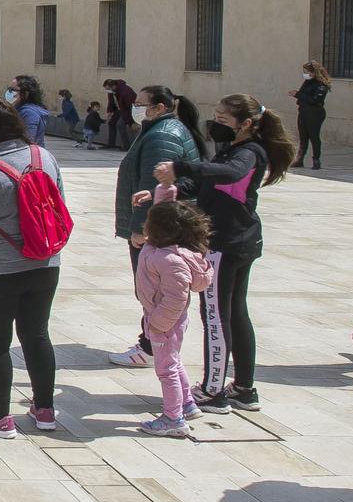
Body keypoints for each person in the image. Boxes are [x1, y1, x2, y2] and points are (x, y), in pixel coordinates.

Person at [155, 92, 296, 414]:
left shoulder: (248, 152)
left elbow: (231, 174)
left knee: (216, 317)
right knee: (233, 312)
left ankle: (214, 390)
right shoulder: (232, 149)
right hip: (238, 241)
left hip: (227, 245)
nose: (215, 124)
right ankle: (244, 388)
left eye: (222, 120)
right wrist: (163, 190)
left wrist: (180, 167)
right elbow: (208, 185)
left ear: (245, 124)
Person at [0, 98, 67, 437]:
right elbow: (59, 202)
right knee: (37, 334)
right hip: (45, 262)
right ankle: (45, 409)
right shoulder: (43, 157)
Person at [108, 86, 207, 368]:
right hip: (164, 225)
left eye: (141, 104)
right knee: (154, 290)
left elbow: (153, 184)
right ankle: (154, 344)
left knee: (153, 291)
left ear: (160, 107)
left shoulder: (162, 135)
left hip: (159, 229)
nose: (135, 108)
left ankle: (151, 348)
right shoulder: (160, 129)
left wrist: (141, 228)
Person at [129, 189, 215, 437]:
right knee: (173, 362)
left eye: (149, 222)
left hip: (165, 323)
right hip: (164, 321)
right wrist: (162, 189)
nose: (145, 224)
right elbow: (167, 210)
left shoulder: (170, 260)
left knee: (165, 369)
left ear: (159, 230)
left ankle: (173, 418)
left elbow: (176, 299)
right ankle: (187, 403)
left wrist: (157, 324)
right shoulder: (160, 247)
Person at [289, 60, 331, 170]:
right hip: (303, 111)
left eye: (307, 72)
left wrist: (298, 94)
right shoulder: (307, 82)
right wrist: (297, 94)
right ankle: (299, 159)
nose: (306, 74)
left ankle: (316, 160)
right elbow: (304, 95)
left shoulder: (321, 84)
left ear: (314, 72)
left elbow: (315, 99)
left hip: (314, 113)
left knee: (314, 136)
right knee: (303, 137)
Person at [7, 74, 51, 146]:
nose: (9, 93)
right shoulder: (19, 109)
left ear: (25, 93)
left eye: (12, 90)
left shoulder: (28, 113)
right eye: (8, 89)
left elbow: (27, 142)